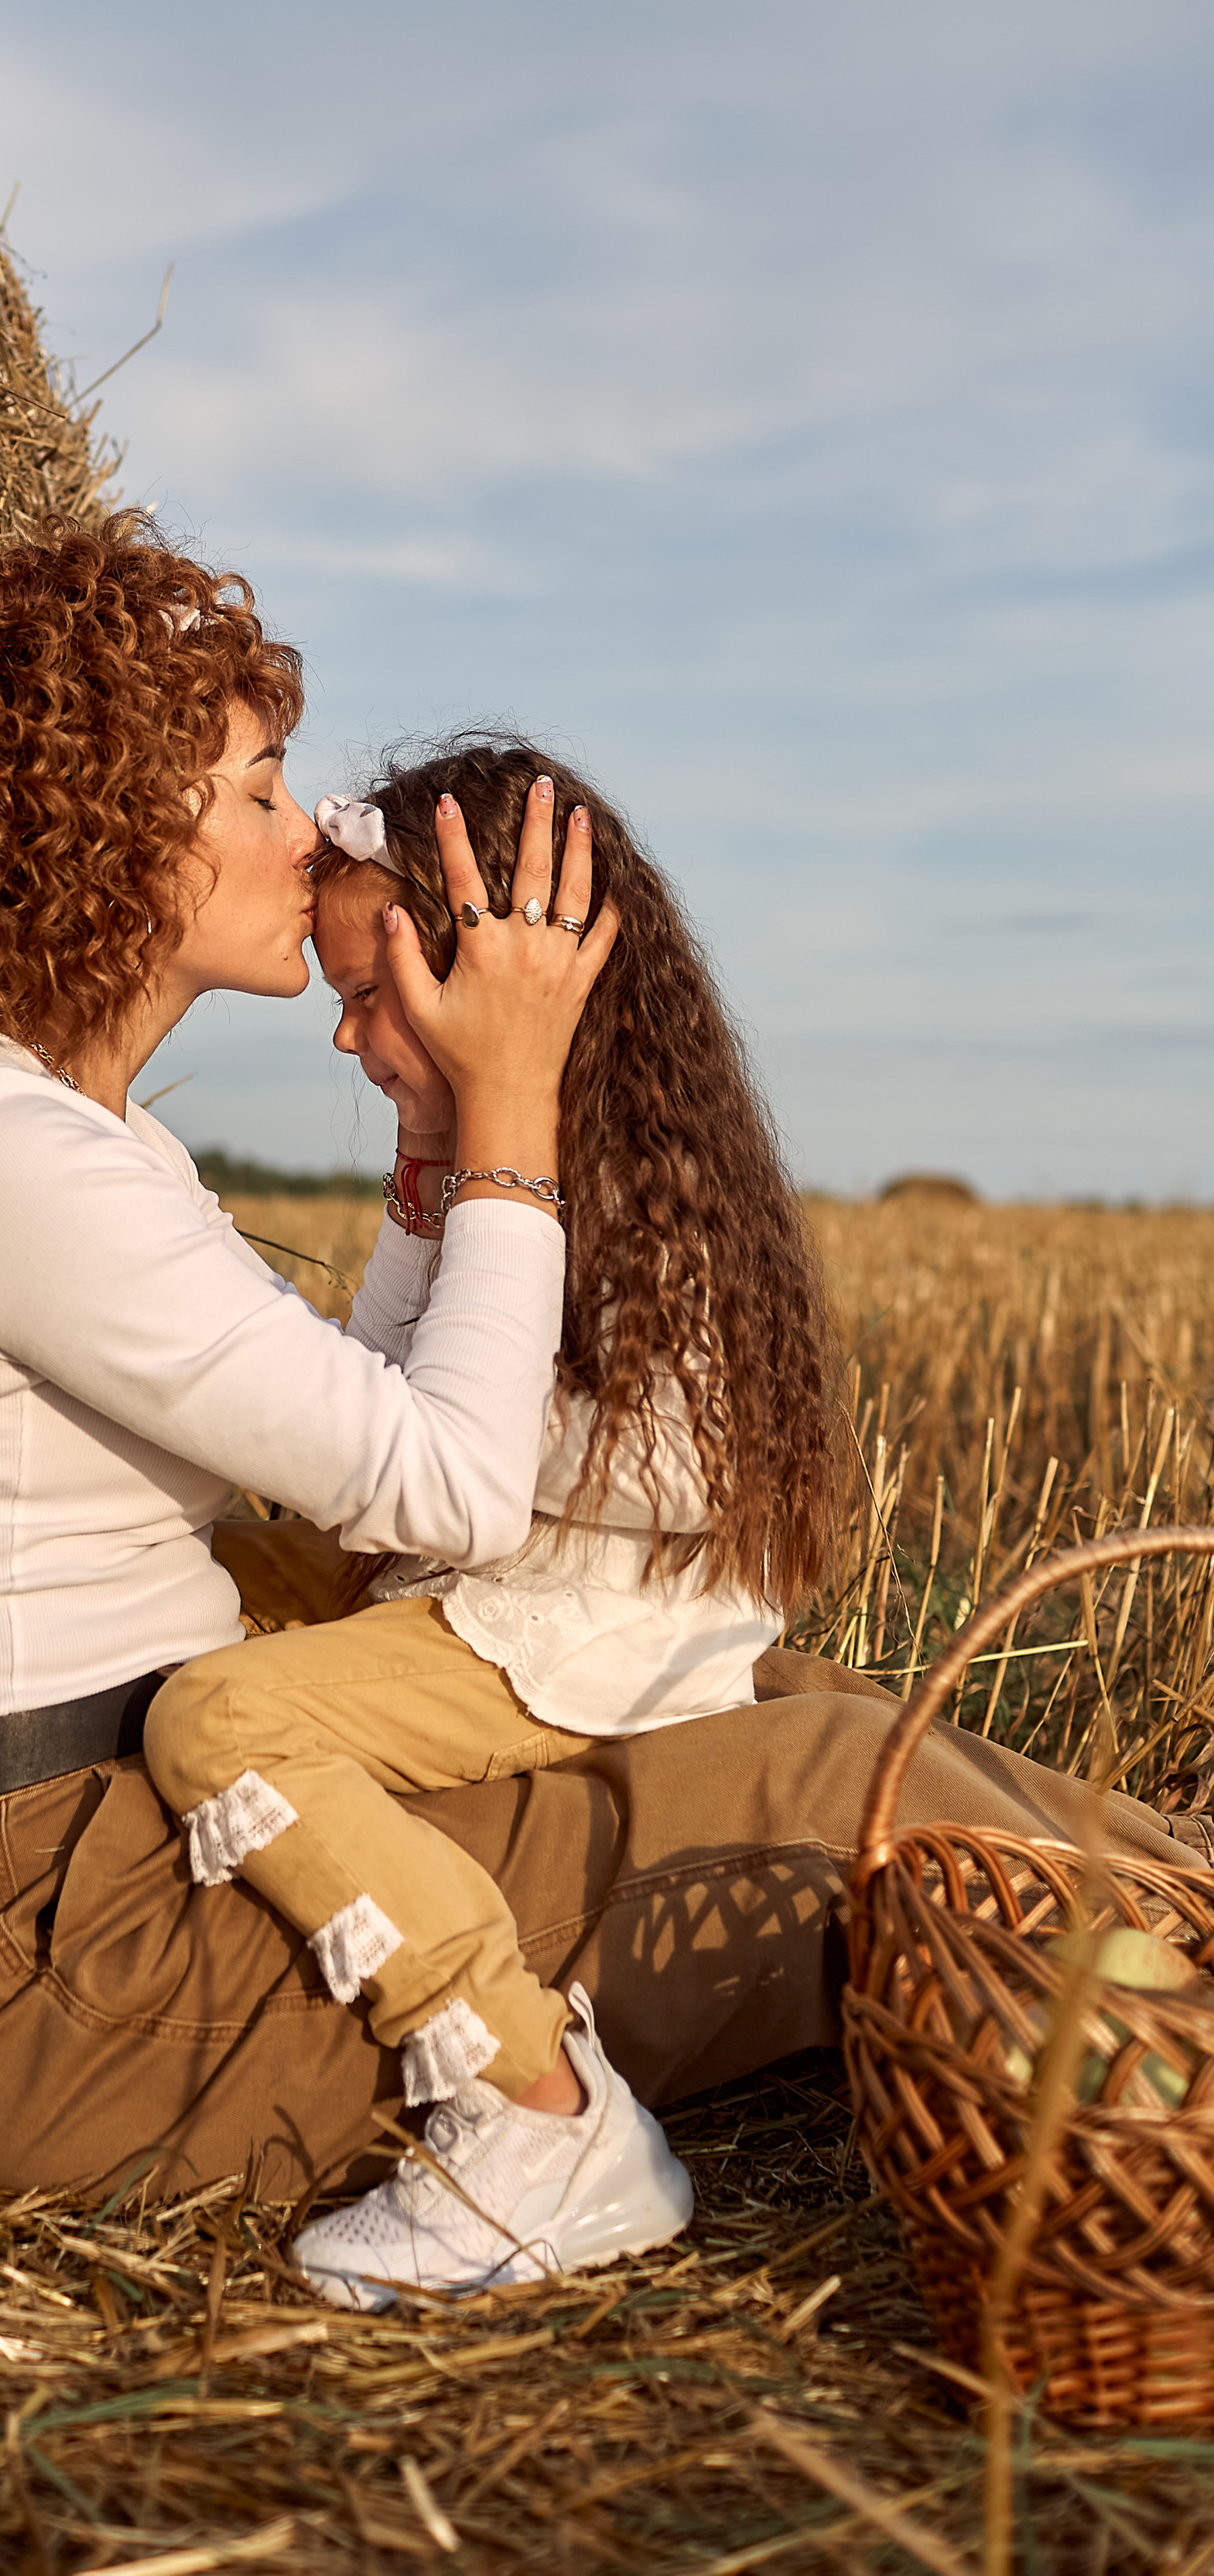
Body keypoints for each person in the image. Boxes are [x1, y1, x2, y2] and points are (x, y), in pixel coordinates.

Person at [0, 514, 1206, 2212]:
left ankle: (1188, 1901)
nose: (300, 827)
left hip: (121, 1857)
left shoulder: (77, 1151)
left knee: (792, 1709)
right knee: (822, 1794)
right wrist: (509, 1099)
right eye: (254, 789)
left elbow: (377, 1443)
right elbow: (450, 1484)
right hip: (48, 1965)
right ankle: (545, 2128)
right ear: (110, 827)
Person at [142, 741, 834, 2306]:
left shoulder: (645, 1196)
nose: (341, 1031)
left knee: (220, 1718)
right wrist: (428, 1164)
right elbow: (393, 1397)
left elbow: (656, 1475)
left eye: (369, 996)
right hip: (470, 1568)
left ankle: (535, 2103)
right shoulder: (497, 1163)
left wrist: (413, 1460)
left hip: (567, 1628)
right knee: (209, 1564)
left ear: (488, 989)